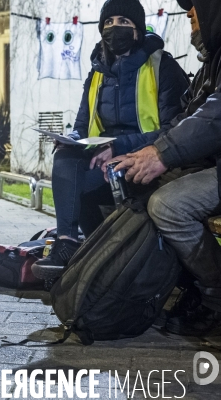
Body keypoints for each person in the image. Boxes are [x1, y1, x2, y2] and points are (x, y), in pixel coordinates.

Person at [32, 0, 189, 280]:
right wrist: (72, 139)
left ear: (138, 30)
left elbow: (173, 130)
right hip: (103, 155)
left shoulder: (161, 66)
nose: (115, 28)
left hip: (147, 156)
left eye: (124, 22)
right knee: (67, 160)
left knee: (89, 185)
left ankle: (110, 259)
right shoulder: (98, 72)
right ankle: (69, 244)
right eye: (109, 22)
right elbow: (82, 124)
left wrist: (118, 147)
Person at [112, 0, 221, 337]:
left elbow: (214, 119)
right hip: (210, 162)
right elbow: (185, 117)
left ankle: (216, 299)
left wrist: (163, 154)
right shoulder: (211, 63)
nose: (190, 13)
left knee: (169, 205)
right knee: (135, 183)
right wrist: (144, 152)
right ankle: (177, 286)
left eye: (198, 5)